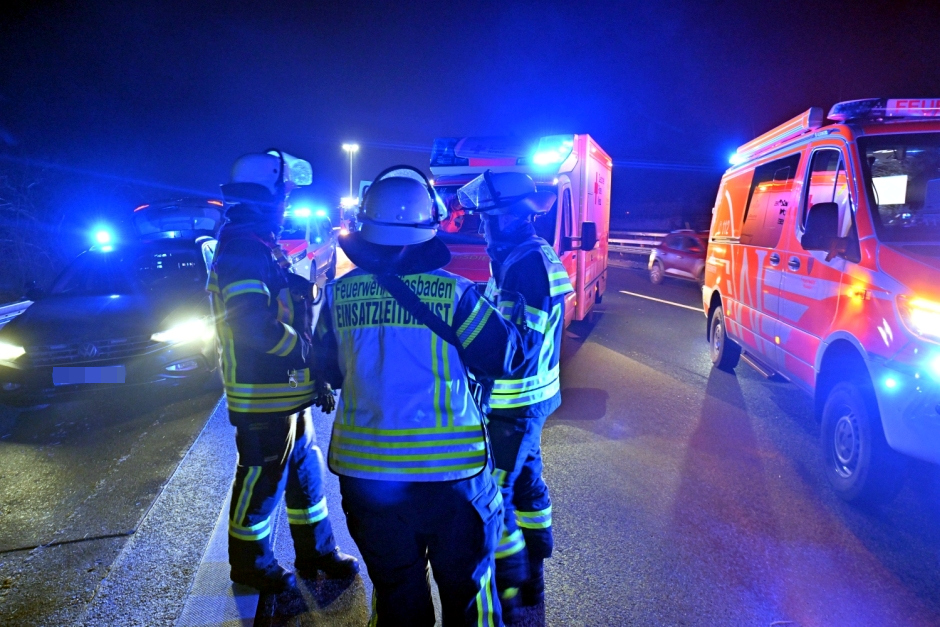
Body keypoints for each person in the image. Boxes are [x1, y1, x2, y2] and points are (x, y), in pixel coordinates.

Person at [311, 165, 525, 626]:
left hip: (368, 479)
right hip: (452, 479)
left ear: (367, 226)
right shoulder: (456, 294)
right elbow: (504, 359)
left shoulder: (337, 296)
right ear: (429, 225)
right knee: (469, 595)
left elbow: (327, 370)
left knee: (397, 595)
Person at [208, 150, 358, 593]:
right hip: (262, 396)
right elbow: (251, 324)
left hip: (286, 394)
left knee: (305, 476)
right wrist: (307, 355)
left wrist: (312, 378)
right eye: (285, 194)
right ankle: (250, 566)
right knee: (261, 479)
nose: (287, 202)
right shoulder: (243, 250)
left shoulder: (256, 243)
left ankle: (317, 553)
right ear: (267, 195)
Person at [456, 171, 574, 613]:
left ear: (508, 216)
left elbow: (516, 347)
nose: (482, 229)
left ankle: (509, 585)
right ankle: (534, 576)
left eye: (486, 220)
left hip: (515, 404)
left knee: (495, 493)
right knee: (526, 484)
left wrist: (468, 350)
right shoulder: (525, 255)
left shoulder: (525, 265)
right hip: (530, 400)